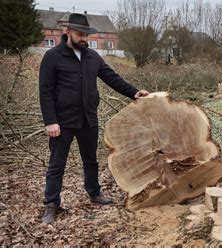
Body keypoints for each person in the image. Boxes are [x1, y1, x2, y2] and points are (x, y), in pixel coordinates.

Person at [39, 13, 149, 224]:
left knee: (90, 159)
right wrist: (50, 121)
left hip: (88, 119)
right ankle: (51, 204)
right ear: (68, 32)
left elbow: (112, 78)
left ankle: (94, 193)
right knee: (56, 164)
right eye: (80, 34)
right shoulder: (53, 56)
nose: (84, 39)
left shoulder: (92, 57)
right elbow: (45, 91)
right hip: (62, 121)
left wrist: (134, 92)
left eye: (86, 35)